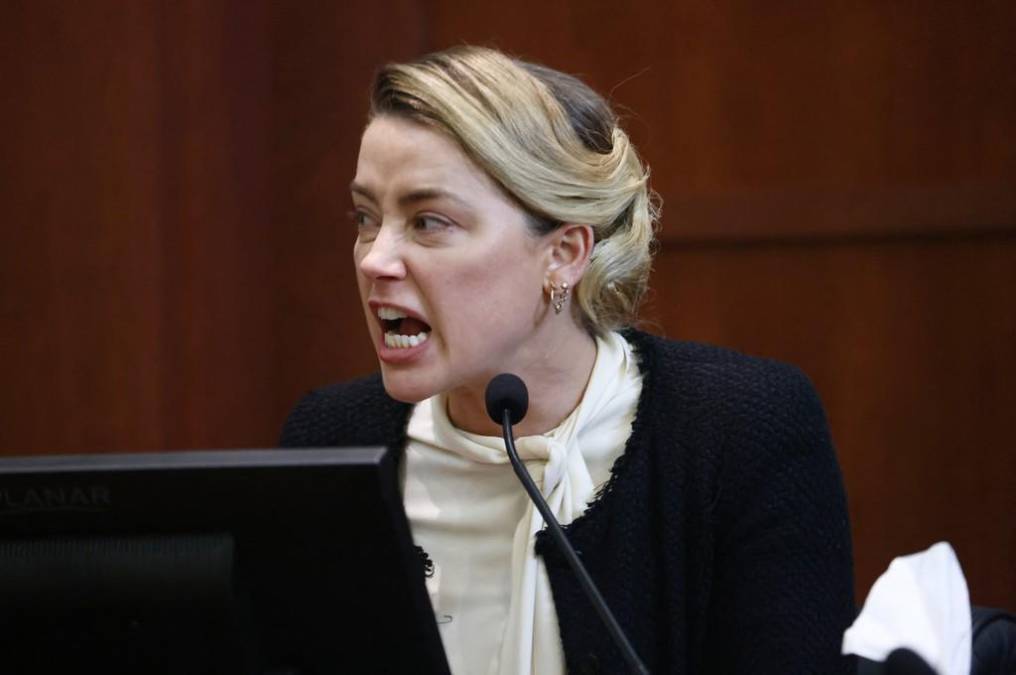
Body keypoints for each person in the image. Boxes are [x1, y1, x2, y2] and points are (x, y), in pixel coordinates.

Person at [280, 46, 855, 675]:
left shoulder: (737, 432)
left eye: (428, 222)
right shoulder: (331, 442)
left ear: (563, 254)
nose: (374, 259)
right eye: (367, 218)